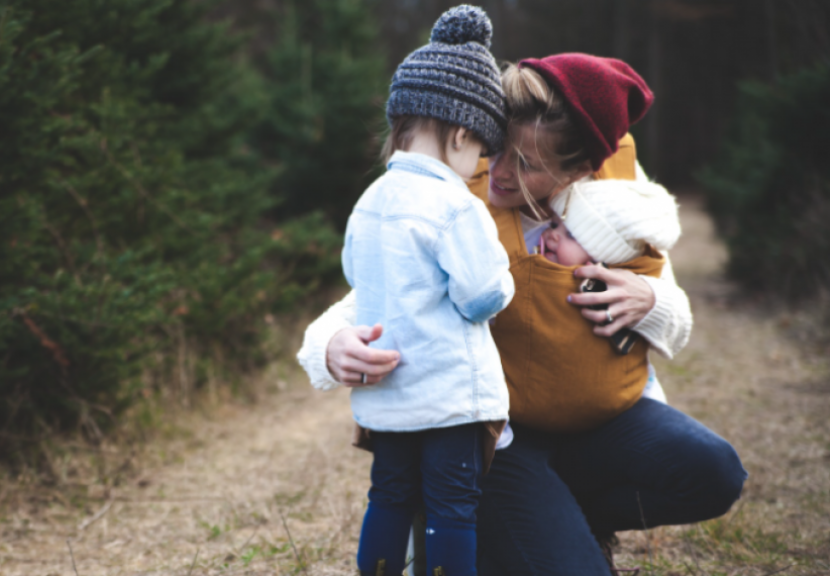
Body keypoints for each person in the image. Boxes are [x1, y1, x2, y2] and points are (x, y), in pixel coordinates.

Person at [298, 53, 748, 575]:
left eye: (528, 164)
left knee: (716, 472)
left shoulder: (615, 200)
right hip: (499, 439)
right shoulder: (455, 191)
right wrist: (328, 347)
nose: (501, 173)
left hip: (601, 424)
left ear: (578, 169)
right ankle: (508, 524)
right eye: (498, 150)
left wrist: (652, 302)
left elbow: (676, 316)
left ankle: (562, 520)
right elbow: (377, 288)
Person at [340, 7, 513, 576]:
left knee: (388, 495)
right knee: (452, 508)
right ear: (462, 134)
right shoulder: (454, 203)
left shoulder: (370, 200)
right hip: (448, 399)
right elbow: (482, 294)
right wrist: (503, 276)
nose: (478, 167)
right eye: (480, 153)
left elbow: (354, 272)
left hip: (388, 395)